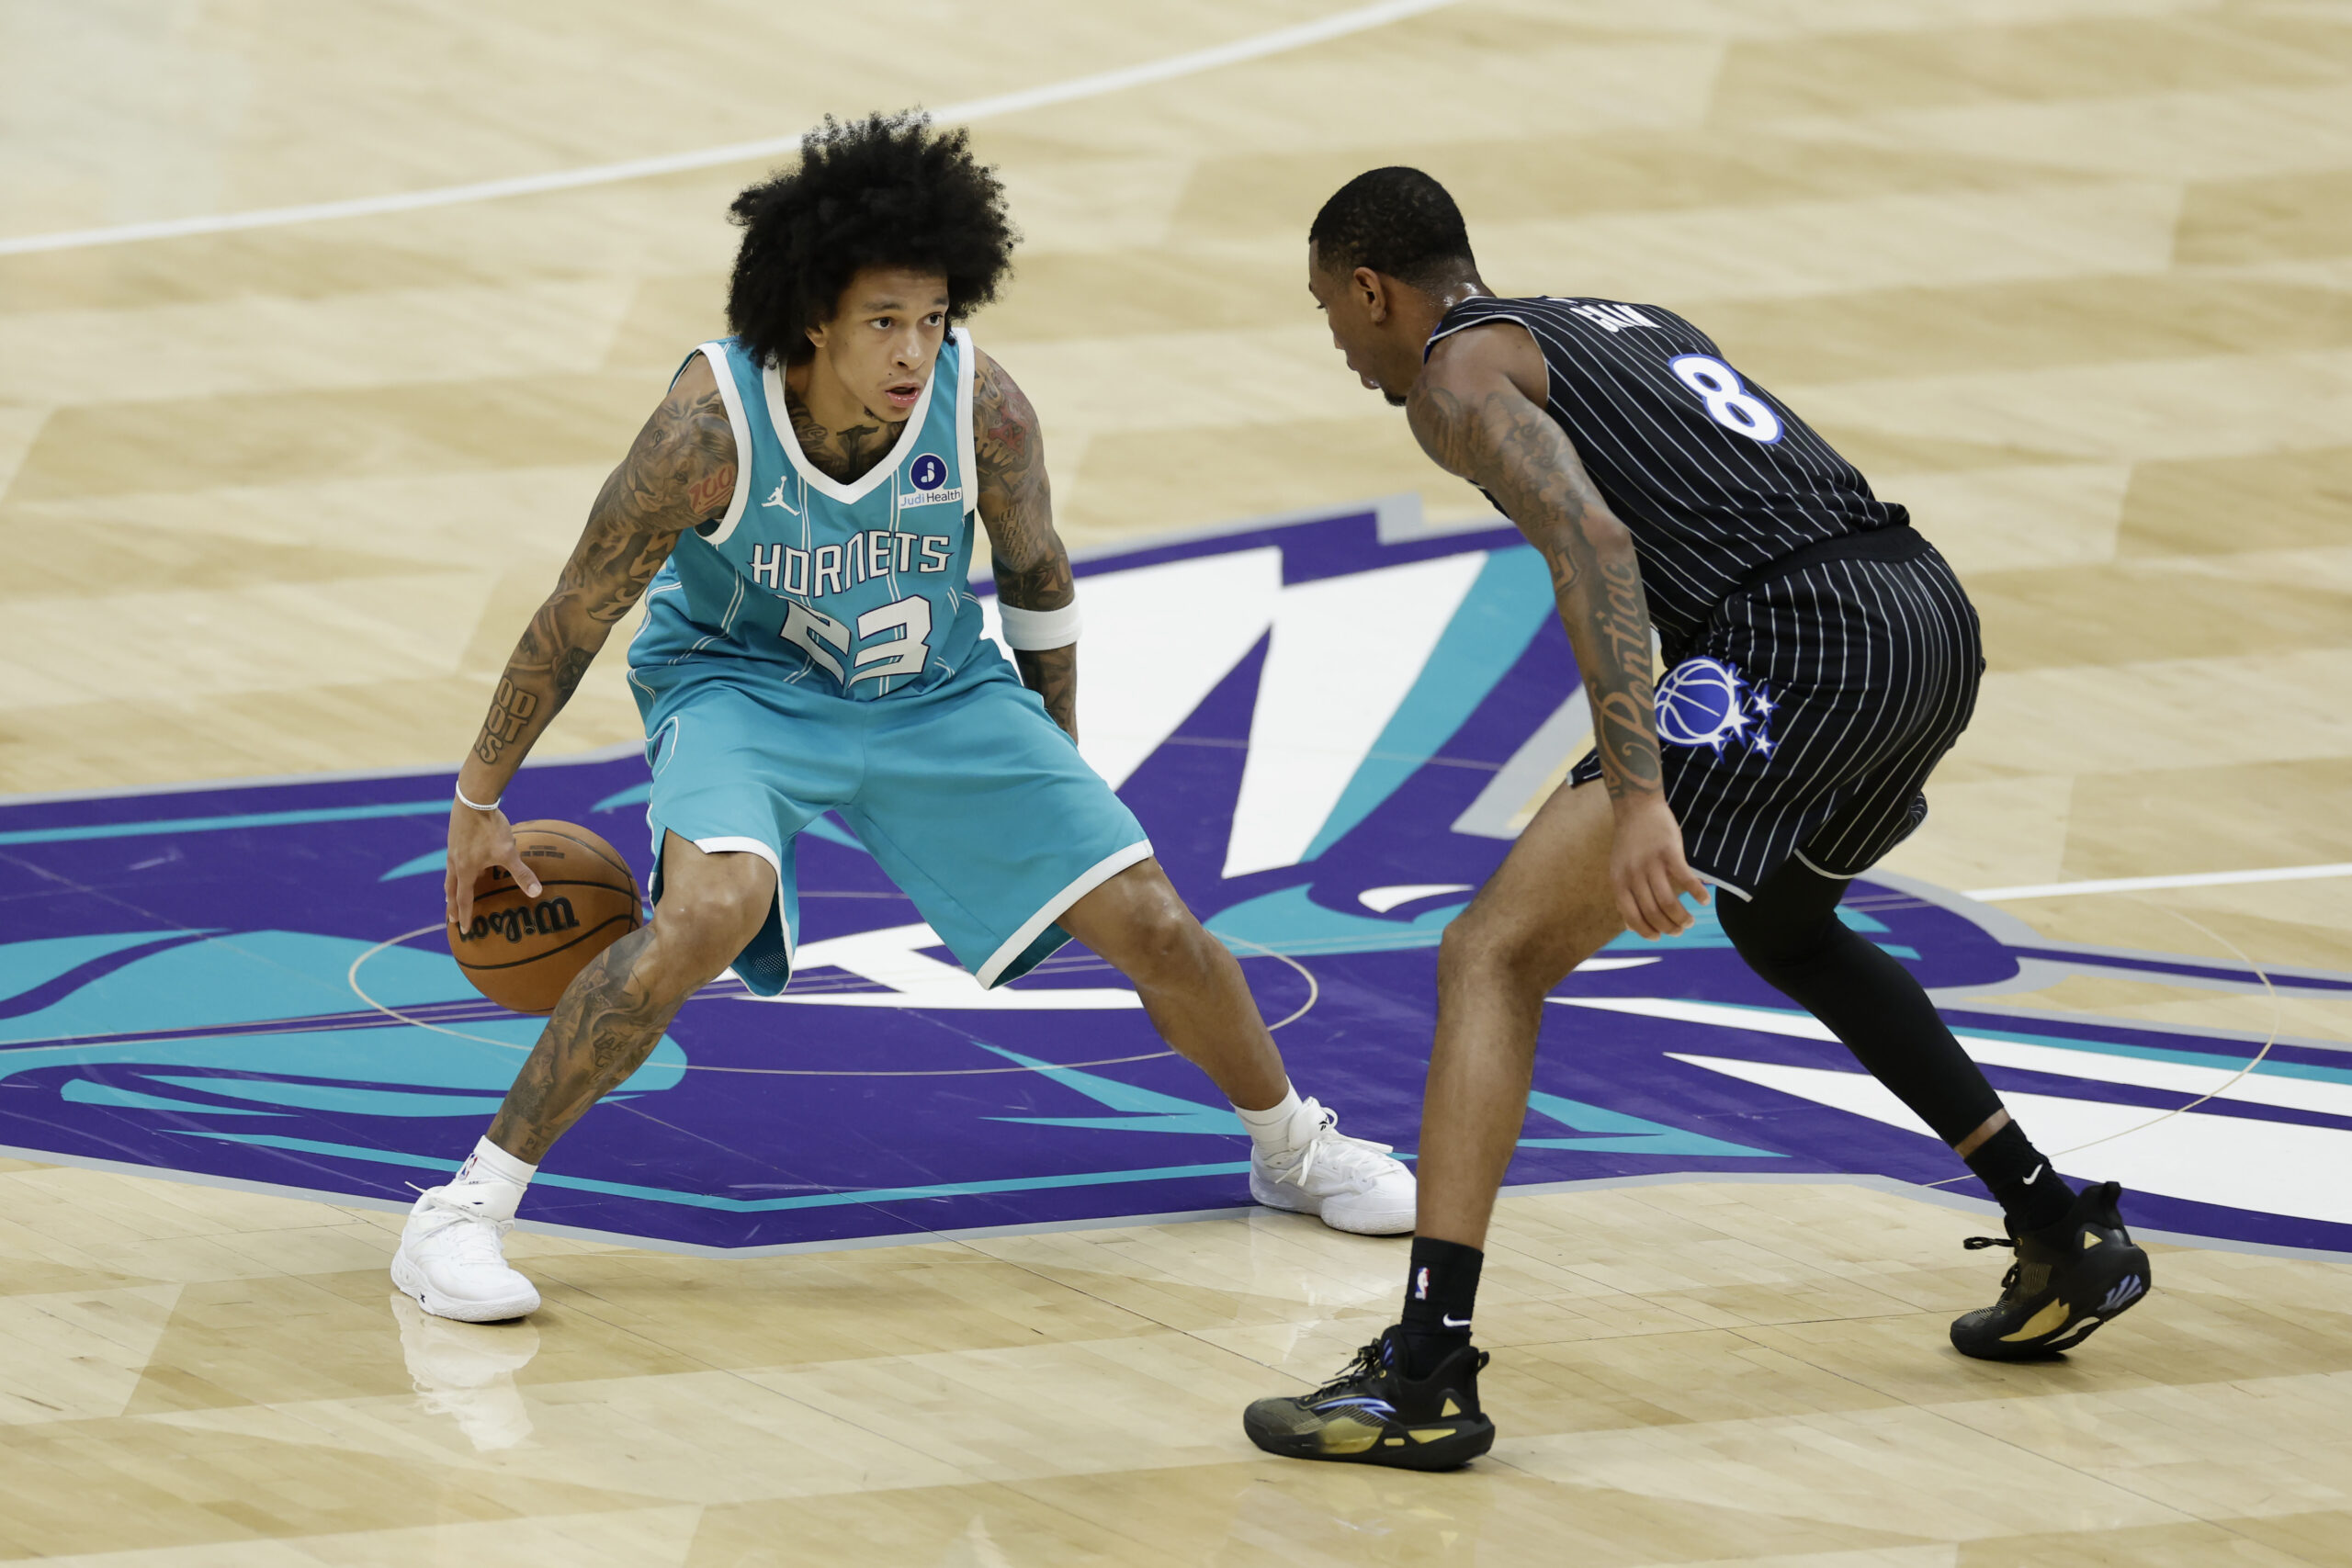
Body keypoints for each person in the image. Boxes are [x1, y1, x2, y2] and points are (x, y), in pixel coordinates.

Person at [391, 115, 1414, 1324]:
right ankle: (459, 1211)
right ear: (811, 316)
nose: (915, 349)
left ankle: (1290, 1151)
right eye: (885, 321)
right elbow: (581, 607)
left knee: (1158, 925)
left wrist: (1056, 767)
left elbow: (1038, 583)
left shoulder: (987, 413)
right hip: (741, 687)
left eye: (933, 318)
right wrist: (478, 799)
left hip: (934, 689)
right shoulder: (706, 433)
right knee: (706, 912)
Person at [1242, 167, 2150, 1471]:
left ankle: (1428, 1371)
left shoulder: (1454, 381)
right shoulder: (1628, 319)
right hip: (1927, 614)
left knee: (1492, 955)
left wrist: (1640, 795)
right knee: (1788, 926)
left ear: (1374, 288)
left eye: (1330, 306)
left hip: (1798, 646)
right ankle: (2057, 1226)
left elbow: (1597, 549)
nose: (1336, 341)